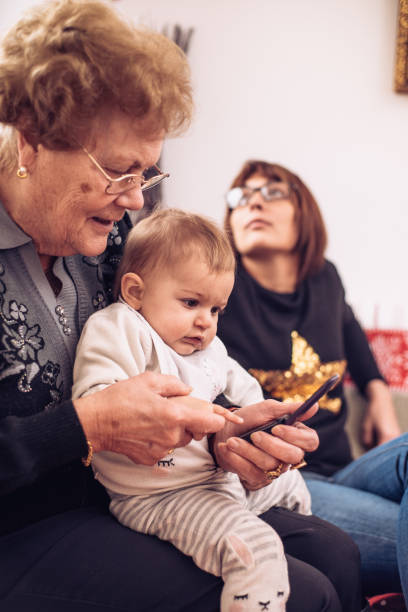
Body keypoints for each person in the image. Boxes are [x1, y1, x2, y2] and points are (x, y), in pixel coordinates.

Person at [0, 3, 361, 611]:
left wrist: (224, 436)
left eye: (147, 172)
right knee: (303, 594)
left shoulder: (114, 239)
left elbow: (181, 364)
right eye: (118, 170)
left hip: (133, 496)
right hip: (20, 525)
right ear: (32, 139)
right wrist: (87, 425)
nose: (137, 199)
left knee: (336, 555)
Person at [73, 208, 350, 612]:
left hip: (221, 481)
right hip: (162, 496)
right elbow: (97, 399)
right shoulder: (120, 328)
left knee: (295, 491)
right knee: (257, 551)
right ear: (135, 292)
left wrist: (269, 425)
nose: (205, 322)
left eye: (216, 310)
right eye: (191, 302)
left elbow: (247, 394)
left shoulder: (209, 349)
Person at [217, 159, 408, 604]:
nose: (253, 203)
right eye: (240, 198)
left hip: (343, 470)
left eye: (272, 192)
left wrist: (378, 394)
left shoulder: (326, 278)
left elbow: (354, 340)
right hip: (286, 487)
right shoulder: (217, 291)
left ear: (305, 212)